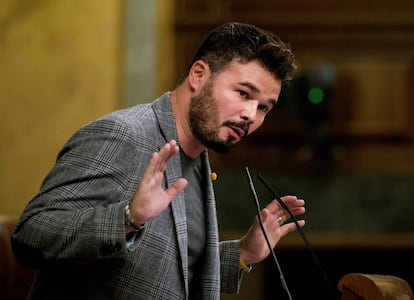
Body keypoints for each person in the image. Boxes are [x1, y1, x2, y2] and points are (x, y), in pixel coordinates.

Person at [11, 22, 305, 299]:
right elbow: (32, 235)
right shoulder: (124, 135)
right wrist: (128, 218)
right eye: (243, 93)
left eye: (264, 107)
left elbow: (169, 268)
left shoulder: (197, 155)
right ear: (198, 75)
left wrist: (243, 253)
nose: (251, 115)